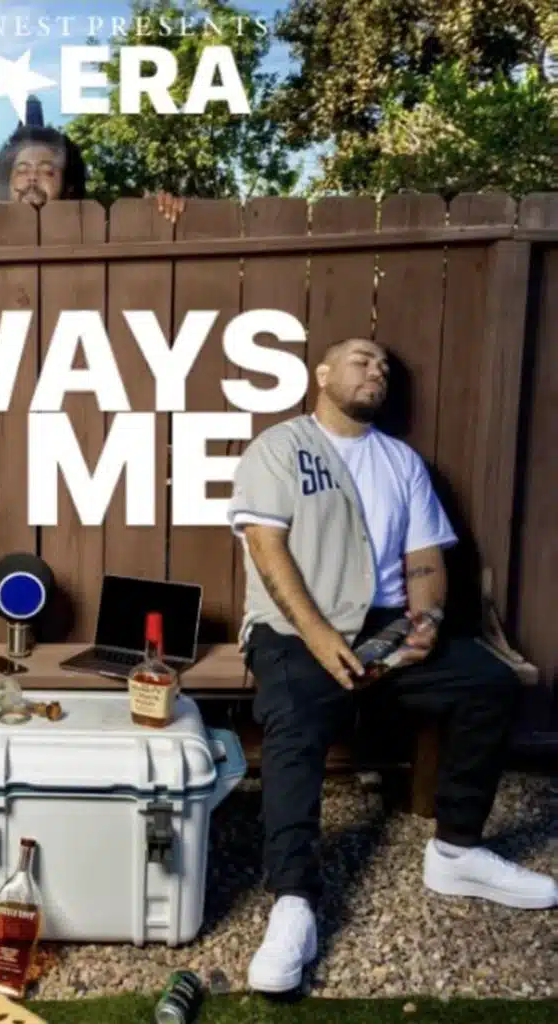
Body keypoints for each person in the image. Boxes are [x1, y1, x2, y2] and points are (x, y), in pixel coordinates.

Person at [228, 338, 557, 994]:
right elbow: (267, 548)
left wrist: (425, 624)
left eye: (382, 364)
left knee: (489, 682)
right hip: (297, 626)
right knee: (292, 717)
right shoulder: (278, 447)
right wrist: (320, 636)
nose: (375, 369)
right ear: (323, 374)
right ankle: (293, 900)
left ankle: (456, 850)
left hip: (386, 629)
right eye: (360, 359)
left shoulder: (401, 462)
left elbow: (426, 558)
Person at [0, 122, 186, 223]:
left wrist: (163, 213)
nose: (32, 178)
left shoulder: (99, 235)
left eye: (46, 171)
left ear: (68, 184)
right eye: (22, 170)